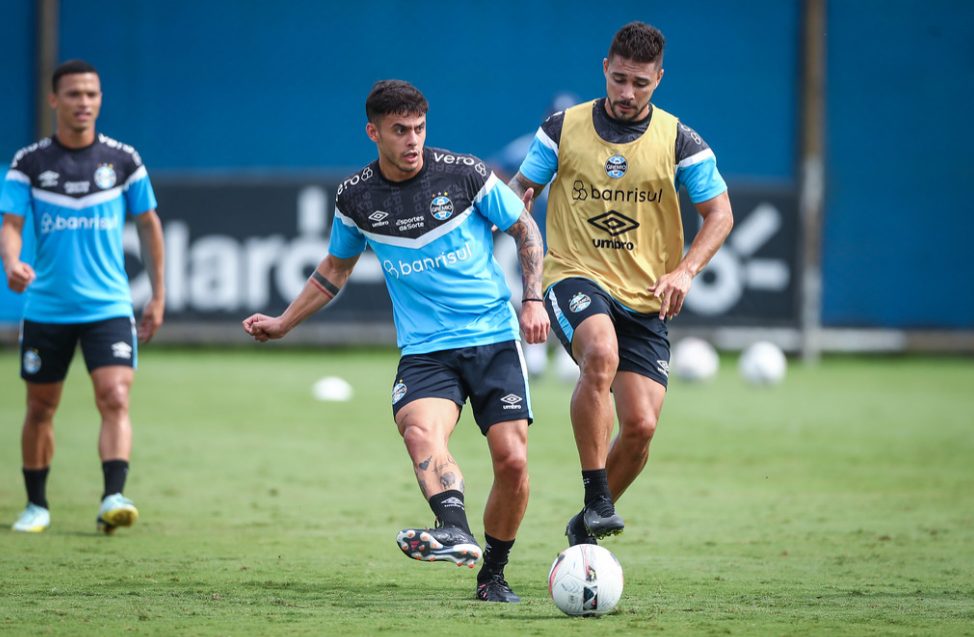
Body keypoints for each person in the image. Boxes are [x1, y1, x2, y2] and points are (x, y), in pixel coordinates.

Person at [242, 80, 548, 603]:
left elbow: (524, 229)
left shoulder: (466, 173)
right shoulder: (355, 198)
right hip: (426, 350)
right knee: (418, 434)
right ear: (373, 131)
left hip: (493, 338)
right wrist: (285, 321)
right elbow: (335, 269)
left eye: (419, 129)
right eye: (400, 131)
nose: (412, 141)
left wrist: (533, 298)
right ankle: (454, 529)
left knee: (513, 461)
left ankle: (492, 575)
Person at [507, 22, 734, 545]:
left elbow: (719, 214)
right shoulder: (563, 128)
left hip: (647, 299)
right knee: (600, 355)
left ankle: (583, 526)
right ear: (604, 70)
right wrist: (532, 282)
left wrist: (684, 271)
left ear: (659, 80)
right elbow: (521, 192)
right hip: (574, 276)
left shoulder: (680, 141)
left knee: (641, 429)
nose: (627, 93)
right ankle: (596, 495)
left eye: (640, 83)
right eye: (619, 79)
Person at [1, 60, 166, 534]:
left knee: (114, 396)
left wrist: (157, 296)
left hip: (108, 306)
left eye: (91, 94)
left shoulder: (123, 161)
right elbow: (10, 226)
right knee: (39, 408)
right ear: (55, 100)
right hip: (47, 307)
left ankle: (113, 495)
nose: (84, 103)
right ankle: (36, 506)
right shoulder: (29, 163)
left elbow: (149, 226)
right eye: (73, 94)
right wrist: (11, 263)